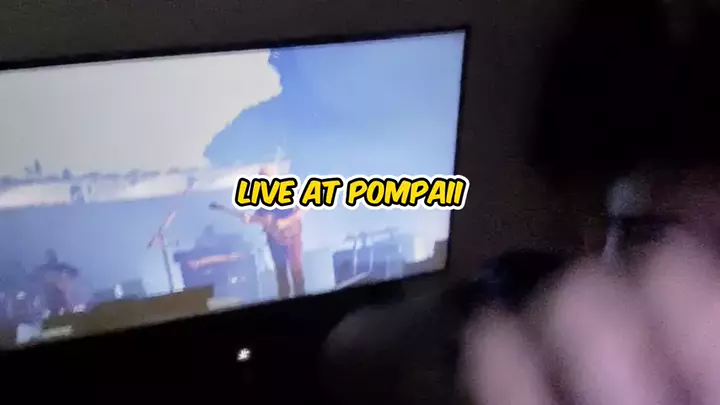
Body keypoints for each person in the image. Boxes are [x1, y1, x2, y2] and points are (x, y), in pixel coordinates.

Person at [243, 166, 306, 299]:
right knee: (281, 272)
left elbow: (304, 208)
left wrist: (286, 222)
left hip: (292, 237)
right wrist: (251, 219)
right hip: (274, 240)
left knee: (296, 271)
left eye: (266, 177)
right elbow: (264, 219)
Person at [32, 249, 80, 316]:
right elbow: (34, 276)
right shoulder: (44, 268)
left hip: (58, 292)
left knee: (65, 308)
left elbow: (75, 271)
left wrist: (70, 275)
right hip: (50, 294)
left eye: (53, 257)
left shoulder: (60, 266)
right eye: (50, 257)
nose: (52, 259)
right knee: (54, 310)